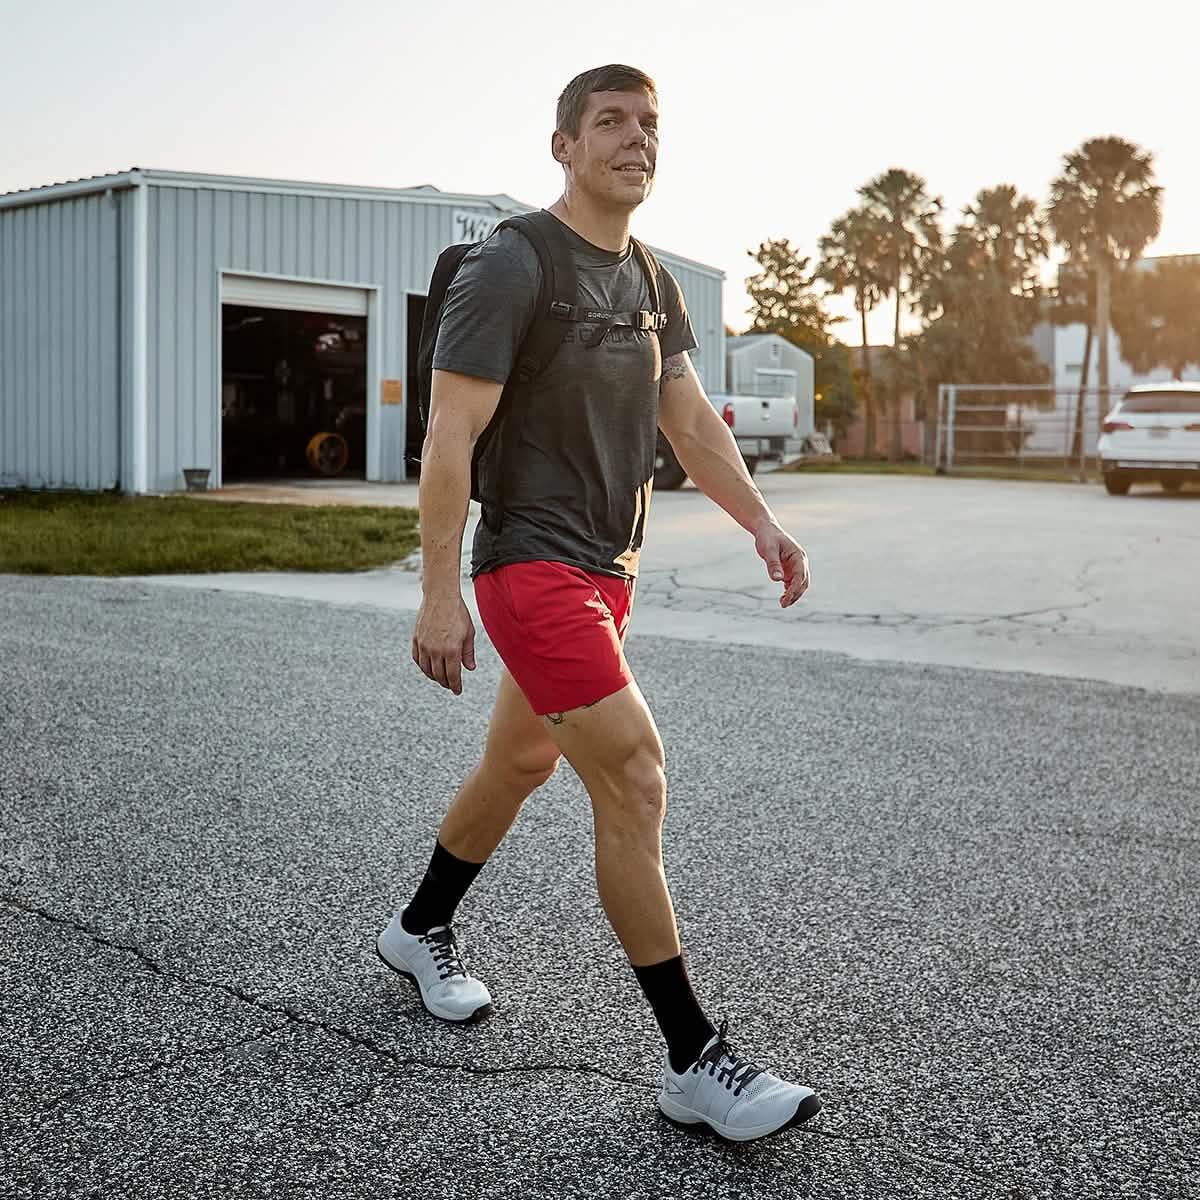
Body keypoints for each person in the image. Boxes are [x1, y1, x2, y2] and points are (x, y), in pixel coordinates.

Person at [377, 64, 821, 1143]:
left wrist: (760, 519)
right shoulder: (511, 263)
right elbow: (450, 438)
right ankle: (696, 1063)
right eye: (611, 122)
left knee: (521, 761)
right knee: (633, 773)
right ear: (565, 145)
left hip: (608, 572)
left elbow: (693, 427)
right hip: (530, 566)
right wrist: (442, 594)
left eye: (650, 124)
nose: (636, 139)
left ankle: (419, 925)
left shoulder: (654, 282)